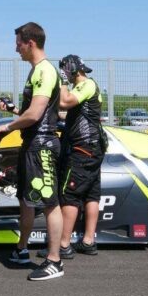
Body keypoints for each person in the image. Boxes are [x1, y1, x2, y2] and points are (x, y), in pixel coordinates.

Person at [0, 22, 64, 281]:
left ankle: (55, 261)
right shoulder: (36, 71)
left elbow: (35, 114)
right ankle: (22, 249)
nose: (16, 50)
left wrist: (8, 126)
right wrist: (13, 112)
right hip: (31, 145)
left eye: (18, 45)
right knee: (25, 201)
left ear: (30, 43)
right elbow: (33, 111)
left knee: (49, 204)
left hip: (42, 145)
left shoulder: (45, 71)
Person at [38, 54, 104, 260]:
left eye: (65, 69)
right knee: (91, 195)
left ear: (74, 69)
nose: (64, 73)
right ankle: (88, 241)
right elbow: (70, 113)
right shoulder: (85, 88)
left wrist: (62, 82)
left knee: (70, 196)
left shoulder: (86, 85)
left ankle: (63, 245)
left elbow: (65, 102)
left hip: (82, 150)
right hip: (92, 148)